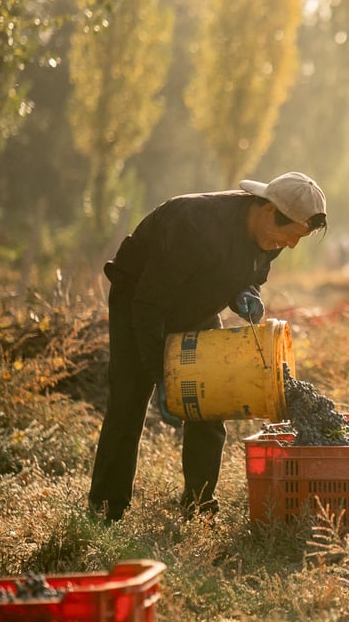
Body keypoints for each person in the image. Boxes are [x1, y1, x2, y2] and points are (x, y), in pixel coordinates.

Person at [87, 172, 327, 522]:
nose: (289, 246)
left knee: (208, 399)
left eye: (297, 241)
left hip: (196, 306)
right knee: (129, 398)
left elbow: (248, 275)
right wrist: (163, 376)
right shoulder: (194, 225)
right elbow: (149, 303)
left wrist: (247, 294)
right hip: (139, 301)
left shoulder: (269, 238)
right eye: (288, 236)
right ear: (267, 210)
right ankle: (106, 509)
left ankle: (198, 504)